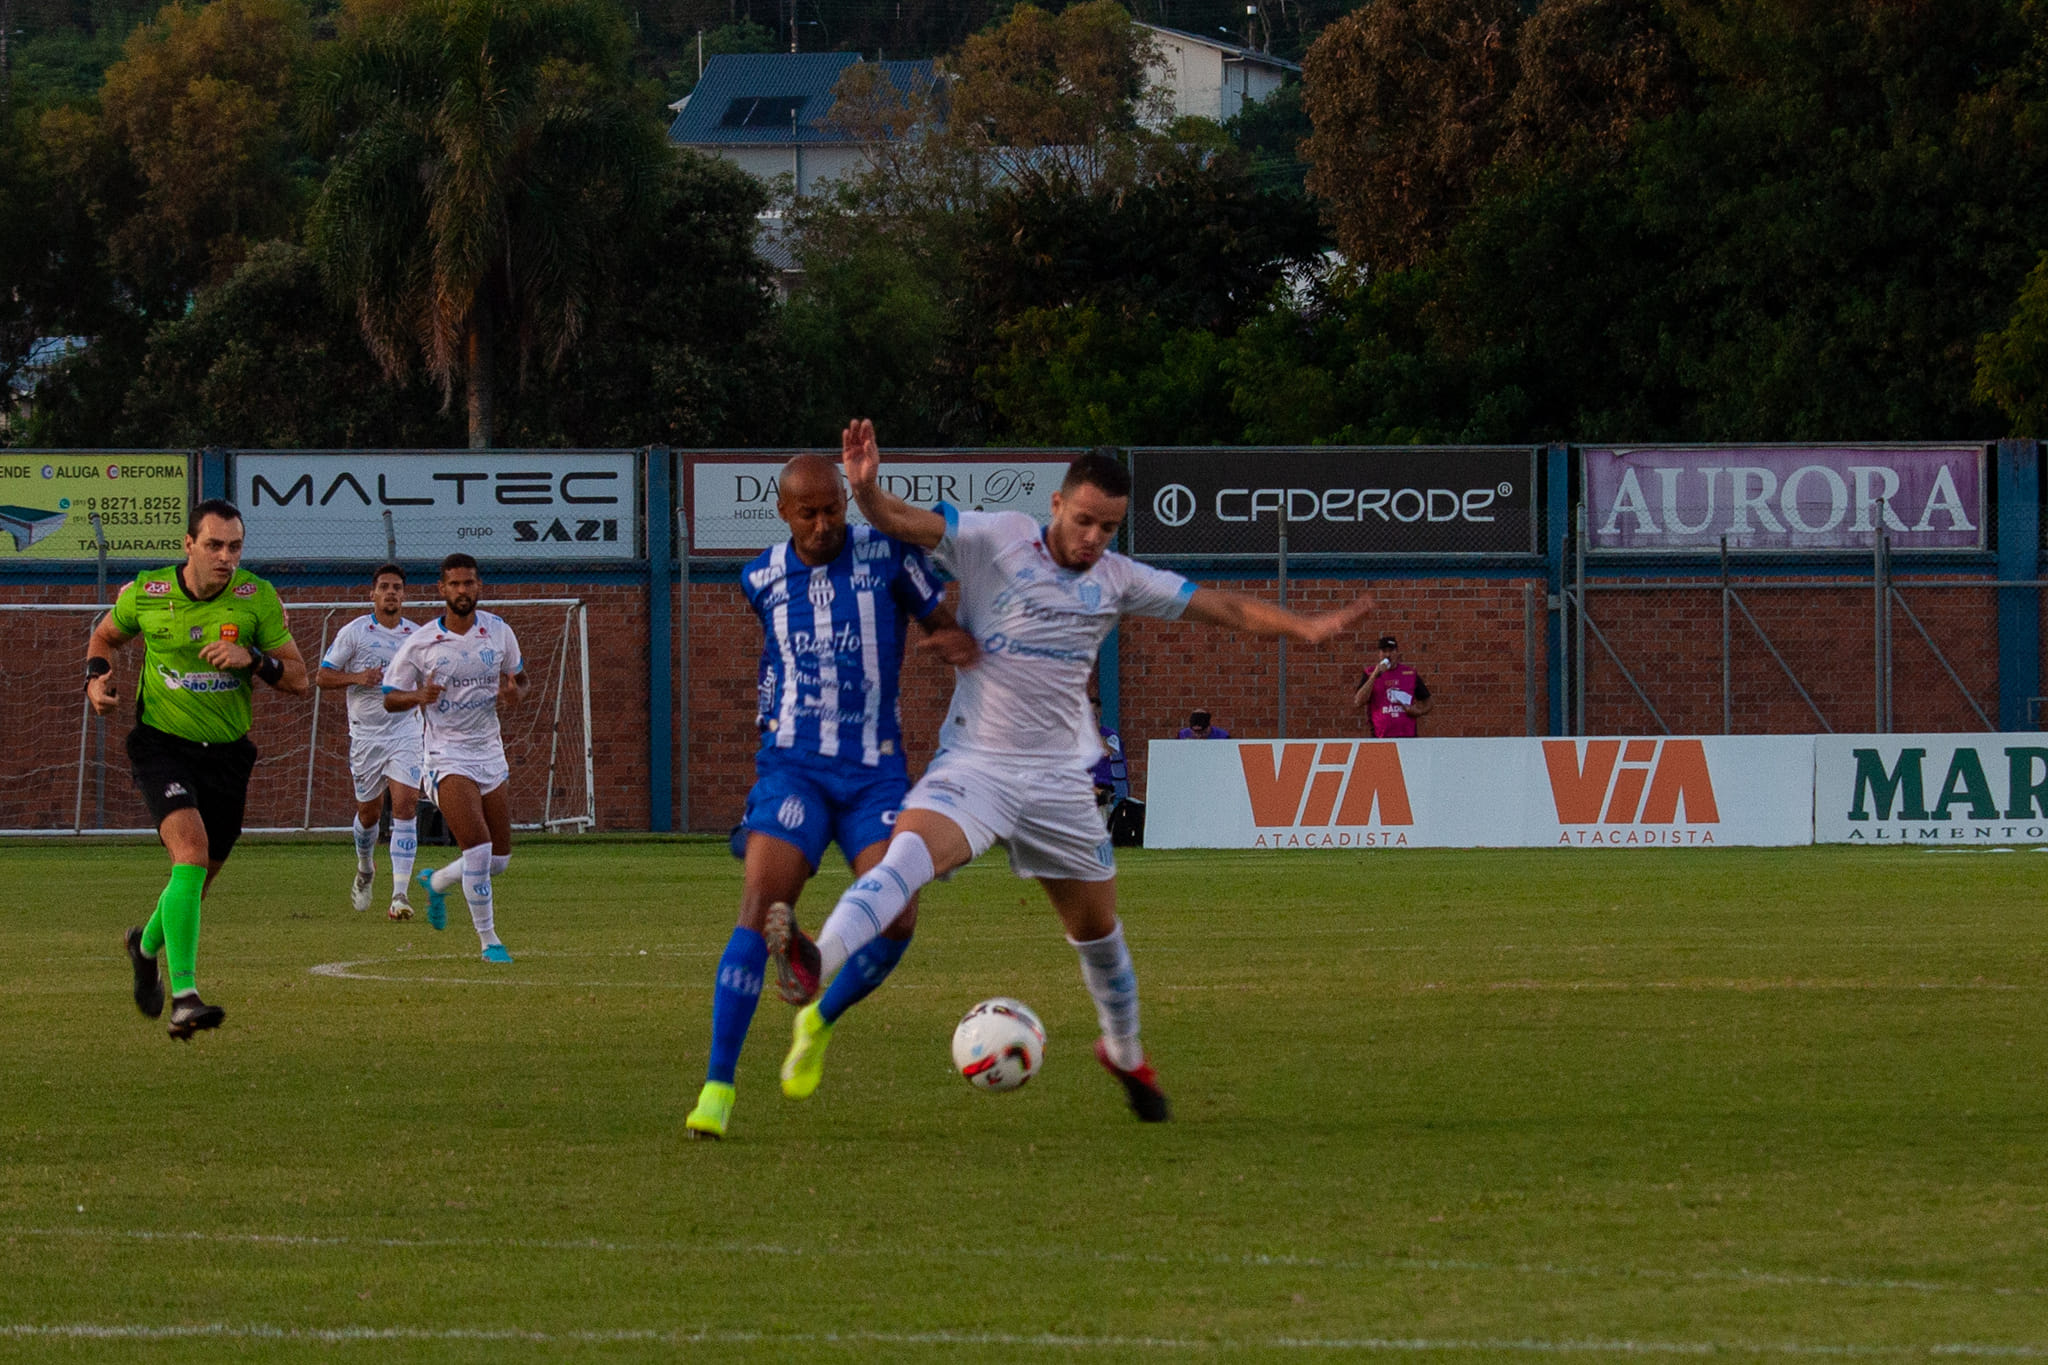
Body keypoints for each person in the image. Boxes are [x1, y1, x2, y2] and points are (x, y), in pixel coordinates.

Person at [775, 421, 1374, 1122]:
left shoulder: (1118, 580)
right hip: (978, 763)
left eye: (1109, 527)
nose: (1094, 538)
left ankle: (1124, 1050)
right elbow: (902, 520)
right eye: (1085, 520)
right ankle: (815, 956)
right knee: (905, 858)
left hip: (1061, 780)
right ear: (1057, 505)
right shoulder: (995, 537)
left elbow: (1223, 606)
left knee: (1099, 934)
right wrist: (867, 486)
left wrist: (1302, 627)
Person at [686, 454, 977, 1141]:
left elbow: (938, 613)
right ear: (784, 513)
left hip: (874, 772)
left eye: (832, 510)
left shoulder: (886, 555)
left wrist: (953, 635)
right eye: (808, 512)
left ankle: (815, 1019)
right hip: (794, 768)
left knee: (899, 914)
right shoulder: (759, 576)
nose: (823, 525)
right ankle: (717, 1088)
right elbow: (778, 660)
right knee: (759, 908)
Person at [87, 498, 310, 1040]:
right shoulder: (149, 592)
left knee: (196, 880)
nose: (225, 557)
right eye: (213, 545)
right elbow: (104, 638)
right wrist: (96, 680)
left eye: (235, 547)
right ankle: (184, 996)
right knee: (187, 852)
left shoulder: (256, 598)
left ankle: (144, 948)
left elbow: (300, 679)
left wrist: (255, 661)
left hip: (227, 755)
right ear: (188, 545)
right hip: (162, 745)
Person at [380, 554, 527, 962]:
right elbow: (390, 698)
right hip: (445, 756)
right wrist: (418, 697)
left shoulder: (498, 632)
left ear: (478, 587)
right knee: (478, 849)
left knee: (498, 861)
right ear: (441, 590)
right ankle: (489, 940)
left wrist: (516, 693)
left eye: (469, 583)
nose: (463, 590)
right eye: (455, 584)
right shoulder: (421, 643)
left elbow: (520, 678)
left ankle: (438, 881)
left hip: (489, 753)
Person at [315, 563, 424, 920]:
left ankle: (400, 895)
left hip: (405, 731)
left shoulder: (417, 636)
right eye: (384, 587)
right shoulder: (355, 632)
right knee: (369, 812)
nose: (391, 592)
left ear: (404, 595)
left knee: (406, 804)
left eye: (397, 587)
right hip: (365, 736)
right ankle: (365, 869)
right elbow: (322, 676)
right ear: (372, 594)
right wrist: (357, 676)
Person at [1353, 634, 1432, 738]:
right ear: (1379, 654)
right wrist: (1374, 676)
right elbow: (1358, 701)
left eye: (1391, 651)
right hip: (1380, 737)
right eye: (1384, 651)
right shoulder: (1369, 673)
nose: (1388, 655)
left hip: (1408, 736)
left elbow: (1428, 702)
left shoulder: (1410, 673)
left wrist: (1418, 711)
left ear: (1397, 653)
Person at [1090, 698, 1127, 809]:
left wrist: (1094, 730)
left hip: (1105, 785)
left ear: (1099, 714)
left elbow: (1109, 751)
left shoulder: (1110, 735)